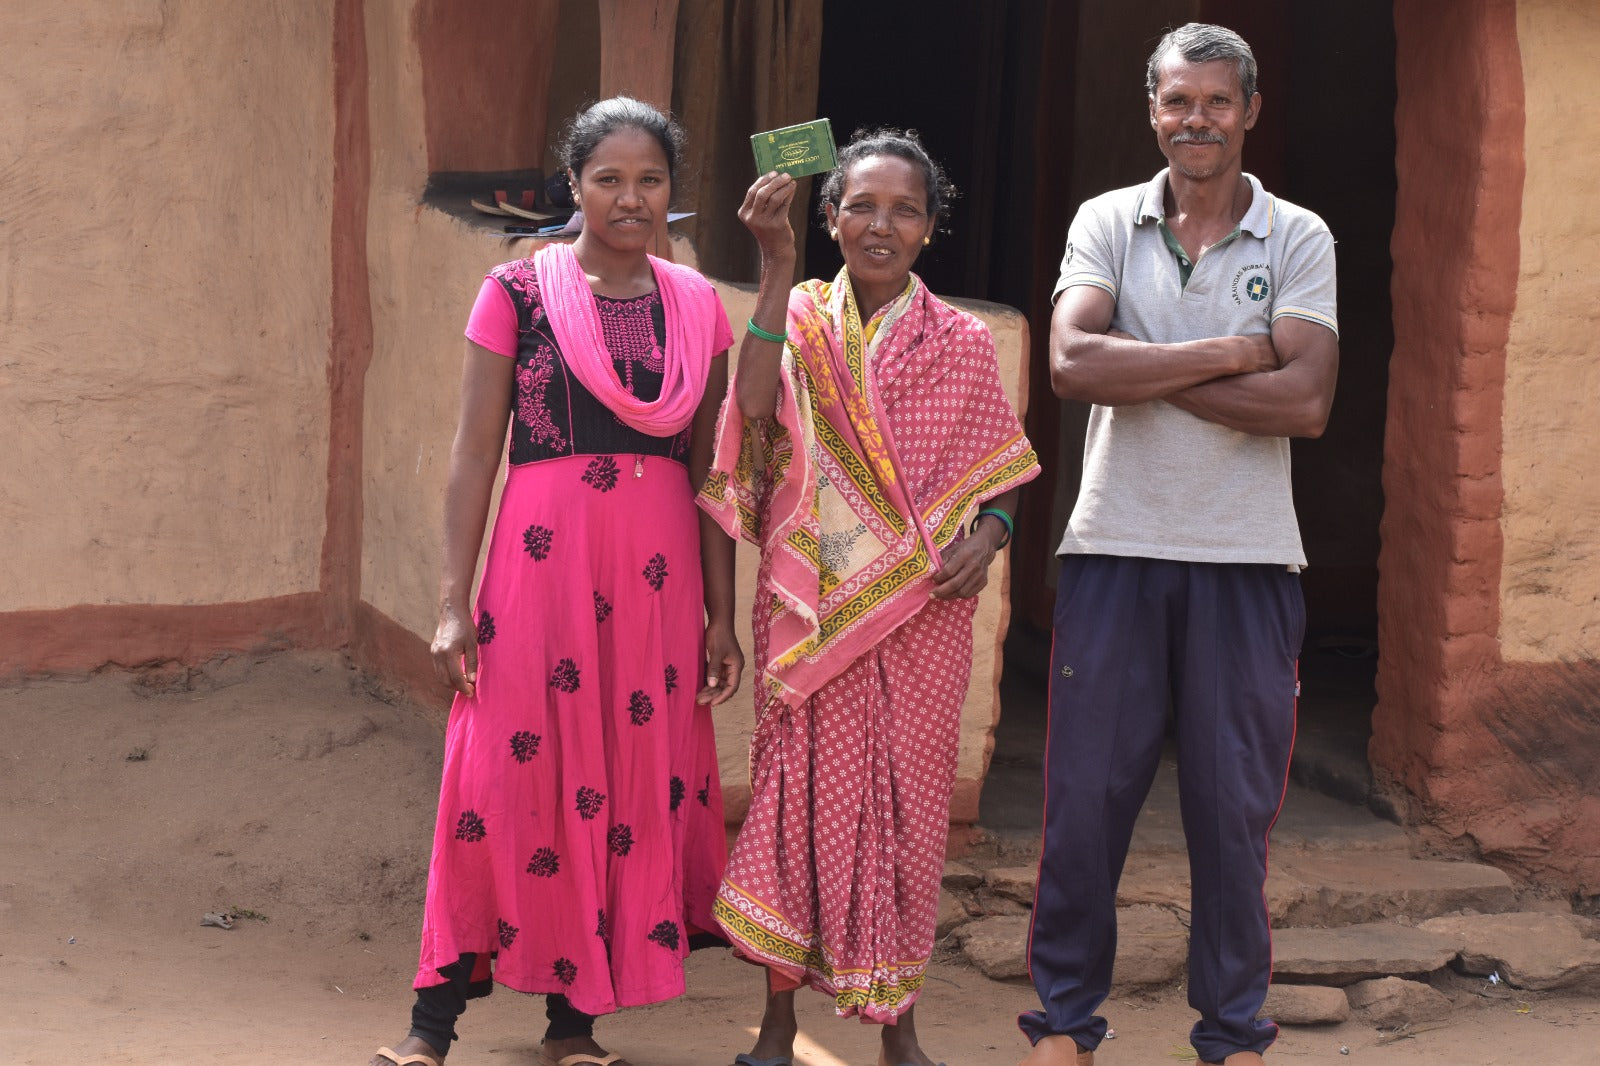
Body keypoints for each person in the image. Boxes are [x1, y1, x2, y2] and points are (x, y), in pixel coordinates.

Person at [370, 96, 744, 1066]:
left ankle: (573, 1024)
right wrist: (452, 601)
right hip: (538, 572)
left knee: (618, 787)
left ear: (672, 191)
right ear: (571, 186)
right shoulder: (517, 293)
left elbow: (712, 476)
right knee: (496, 773)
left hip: (656, 586)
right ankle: (429, 1024)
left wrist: (720, 614)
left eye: (649, 179)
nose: (630, 197)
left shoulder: (695, 306)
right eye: (608, 179)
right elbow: (471, 456)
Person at [1018, 23, 1339, 1066]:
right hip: (1114, 545)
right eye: (1174, 102)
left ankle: (1233, 1032)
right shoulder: (1107, 220)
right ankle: (1063, 1023)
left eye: (1214, 102)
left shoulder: (1297, 237)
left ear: (1248, 110)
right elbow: (1070, 362)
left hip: (1246, 560)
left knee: (1230, 815)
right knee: (1082, 810)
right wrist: (1229, 356)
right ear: (1151, 110)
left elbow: (1303, 401)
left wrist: (1147, 365)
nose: (1193, 120)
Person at [699, 129, 1041, 1066]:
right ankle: (778, 1026)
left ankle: (898, 1027)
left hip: (920, 618)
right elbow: (756, 411)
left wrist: (992, 534)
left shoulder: (963, 344)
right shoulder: (802, 317)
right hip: (810, 615)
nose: (880, 225)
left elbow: (1002, 467)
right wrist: (774, 268)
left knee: (906, 813)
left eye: (903, 209)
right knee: (792, 805)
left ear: (931, 228)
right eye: (860, 206)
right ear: (832, 218)